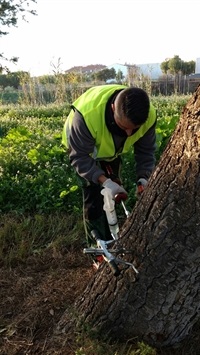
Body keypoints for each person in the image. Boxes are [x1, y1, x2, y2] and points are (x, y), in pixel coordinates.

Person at [62, 84, 157, 249]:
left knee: (114, 187)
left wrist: (144, 177)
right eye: (124, 127)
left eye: (134, 129)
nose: (129, 134)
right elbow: (79, 158)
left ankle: (113, 234)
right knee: (93, 195)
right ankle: (98, 248)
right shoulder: (86, 117)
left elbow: (146, 151)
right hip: (82, 149)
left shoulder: (146, 114)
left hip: (110, 150)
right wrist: (104, 181)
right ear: (113, 108)